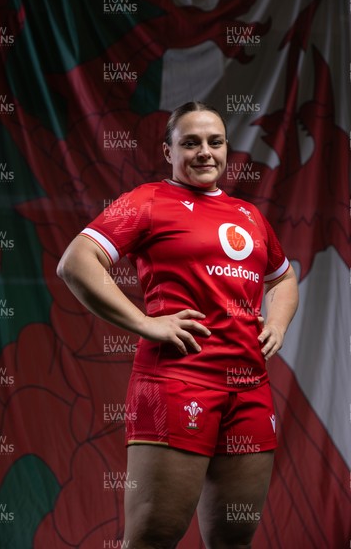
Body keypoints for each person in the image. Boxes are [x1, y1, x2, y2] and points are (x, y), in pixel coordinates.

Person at [57, 101, 299, 549]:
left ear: (227, 148)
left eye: (215, 141)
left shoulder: (249, 215)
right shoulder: (148, 200)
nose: (204, 152)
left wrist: (278, 324)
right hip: (176, 382)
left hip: (249, 389)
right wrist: (145, 323)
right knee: (154, 537)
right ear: (168, 151)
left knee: (234, 538)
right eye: (190, 143)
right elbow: (76, 262)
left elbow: (283, 277)